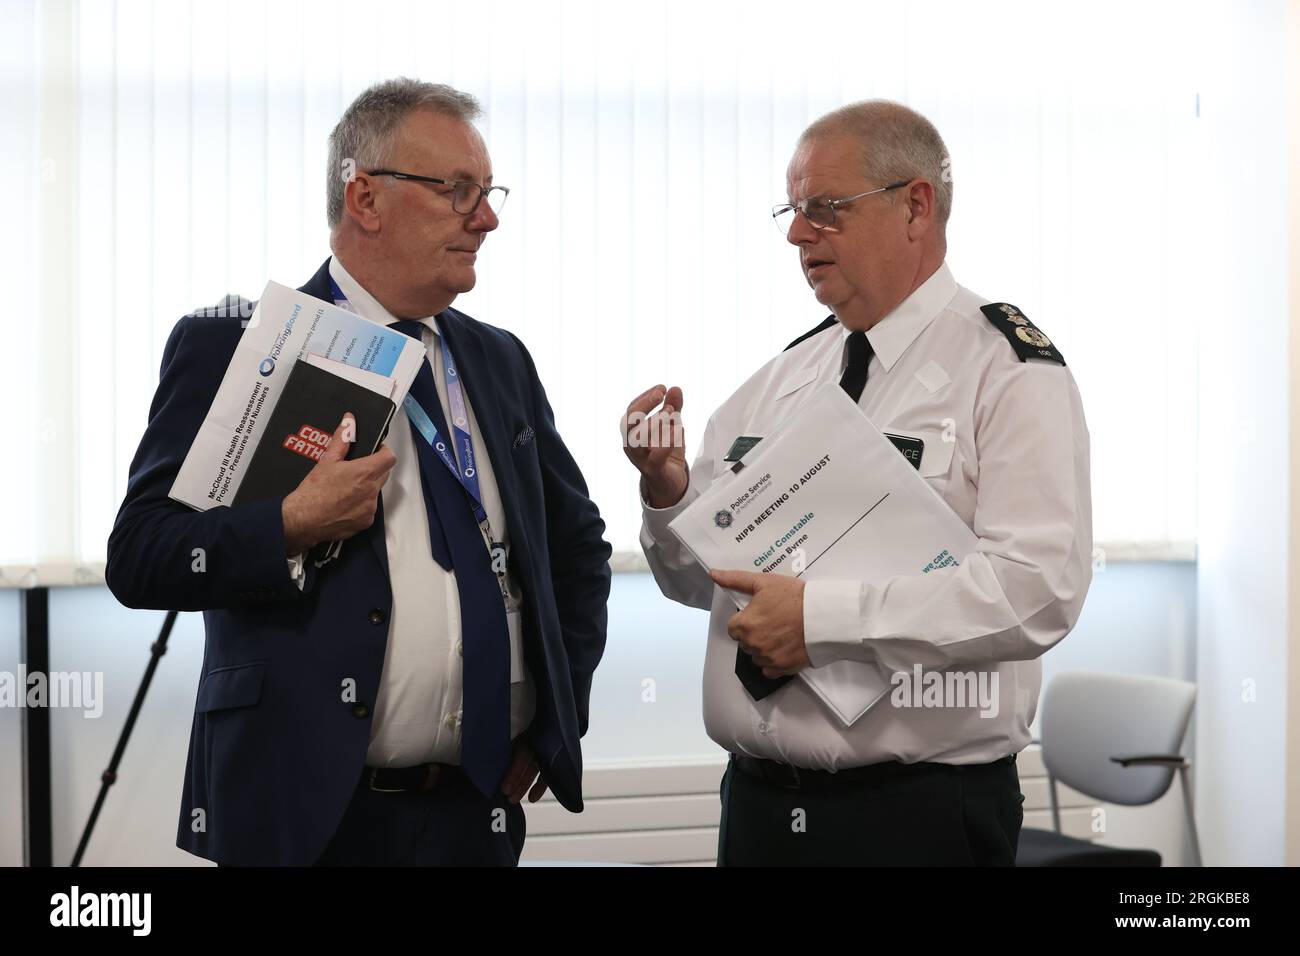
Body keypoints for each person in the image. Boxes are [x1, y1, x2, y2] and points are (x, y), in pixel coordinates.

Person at [107, 78, 612, 866]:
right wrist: (288, 527)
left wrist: (554, 719)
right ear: (366, 197)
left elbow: (578, 549)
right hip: (306, 816)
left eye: (487, 192)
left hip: (473, 812)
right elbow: (141, 556)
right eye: (457, 191)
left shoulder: (499, 359)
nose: (487, 218)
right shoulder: (240, 344)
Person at [624, 100, 1092, 866]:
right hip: (758, 808)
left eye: (825, 210)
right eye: (793, 211)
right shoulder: (781, 377)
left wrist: (825, 620)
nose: (798, 235)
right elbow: (695, 582)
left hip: (916, 816)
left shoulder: (1006, 370)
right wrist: (668, 492)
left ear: (916, 205)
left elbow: (1039, 590)